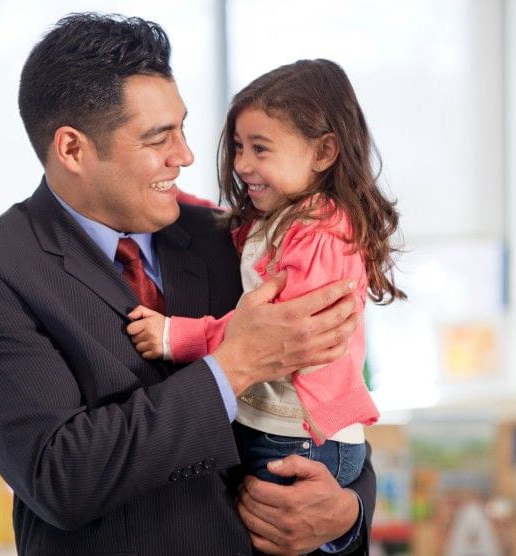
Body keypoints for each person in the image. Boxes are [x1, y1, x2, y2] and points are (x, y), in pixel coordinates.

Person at [0, 13, 374, 555]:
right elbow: (60, 476)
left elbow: (322, 406)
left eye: (183, 128)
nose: (185, 156)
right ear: (73, 149)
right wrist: (234, 365)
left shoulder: (223, 237)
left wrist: (344, 514)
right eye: (158, 138)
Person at [128, 59, 405, 494]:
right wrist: (164, 193)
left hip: (298, 437)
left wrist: (174, 337)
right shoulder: (285, 219)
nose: (241, 163)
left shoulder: (322, 234)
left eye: (260, 148)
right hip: (288, 430)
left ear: (323, 152)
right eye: (238, 147)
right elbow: (227, 229)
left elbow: (276, 335)